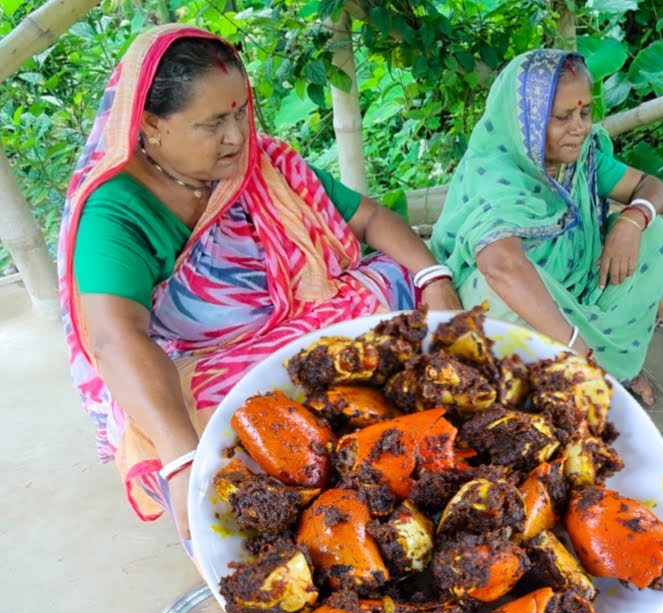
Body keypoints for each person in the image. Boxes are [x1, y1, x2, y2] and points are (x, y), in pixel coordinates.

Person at [57, 24, 462, 551]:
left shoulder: (265, 164)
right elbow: (116, 339)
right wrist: (183, 458)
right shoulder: (117, 211)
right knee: (221, 427)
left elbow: (369, 218)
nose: (237, 136)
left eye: (240, 112)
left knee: (402, 281)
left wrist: (434, 279)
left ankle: (401, 457)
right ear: (151, 124)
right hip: (213, 359)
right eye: (212, 124)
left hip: (308, 316)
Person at [429, 49, 663, 407]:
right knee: (498, 288)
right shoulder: (499, 172)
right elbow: (500, 265)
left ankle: (616, 368)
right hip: (514, 303)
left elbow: (655, 189)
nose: (580, 127)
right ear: (525, 121)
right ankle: (561, 382)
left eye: (585, 112)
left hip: (575, 289)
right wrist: (576, 348)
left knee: (654, 234)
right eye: (563, 117)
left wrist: (631, 220)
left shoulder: (582, 156)